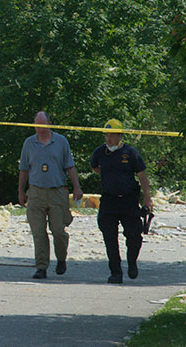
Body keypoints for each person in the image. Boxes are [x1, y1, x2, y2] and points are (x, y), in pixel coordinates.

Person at [18, 111, 83, 279]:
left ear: (49, 124)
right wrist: (20, 191)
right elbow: (24, 169)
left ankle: (61, 258)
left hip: (57, 192)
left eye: (42, 125)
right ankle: (41, 267)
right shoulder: (29, 143)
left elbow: (70, 166)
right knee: (38, 232)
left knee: (58, 231)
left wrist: (77, 187)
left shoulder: (61, 141)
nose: (39, 129)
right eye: (36, 125)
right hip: (36, 192)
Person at [90, 119, 153, 284]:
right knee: (109, 238)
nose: (108, 139)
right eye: (106, 135)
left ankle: (132, 262)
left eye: (112, 135)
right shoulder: (99, 153)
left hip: (129, 201)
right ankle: (115, 272)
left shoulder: (130, 153)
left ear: (120, 135)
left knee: (134, 236)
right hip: (109, 200)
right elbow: (95, 167)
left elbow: (142, 176)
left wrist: (147, 198)